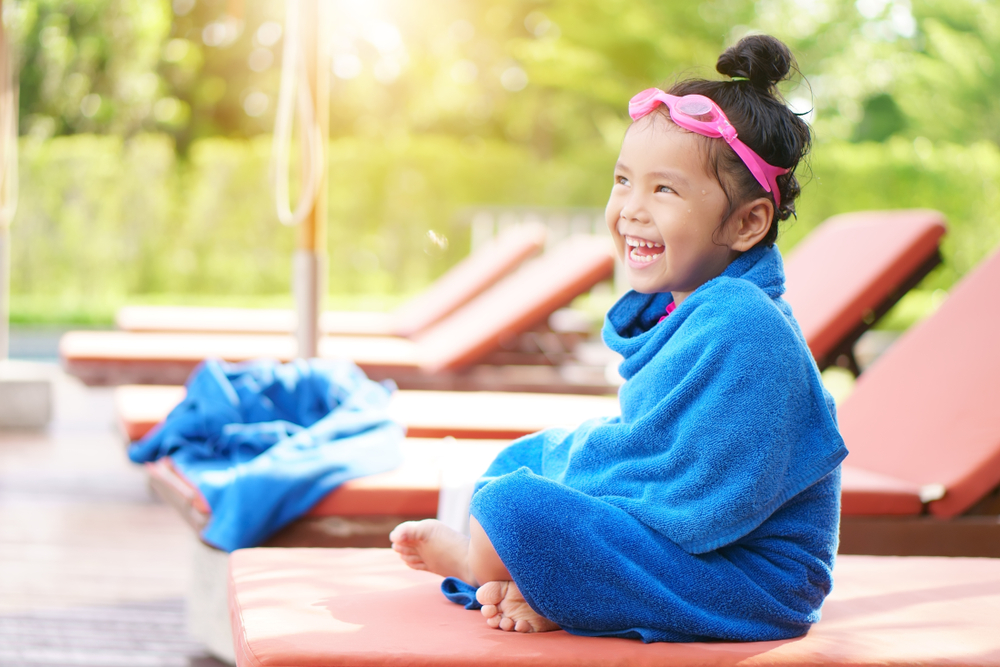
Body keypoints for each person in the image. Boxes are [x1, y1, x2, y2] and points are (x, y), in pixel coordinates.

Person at [390, 34, 847, 643]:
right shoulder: (685, 309)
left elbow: (698, 494)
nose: (631, 207)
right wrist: (573, 469)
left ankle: (499, 568)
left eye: (664, 189)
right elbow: (651, 450)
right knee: (525, 460)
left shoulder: (747, 325)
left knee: (516, 509)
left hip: (746, 579)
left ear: (746, 223)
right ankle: (526, 572)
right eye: (624, 180)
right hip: (687, 545)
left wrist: (573, 494)